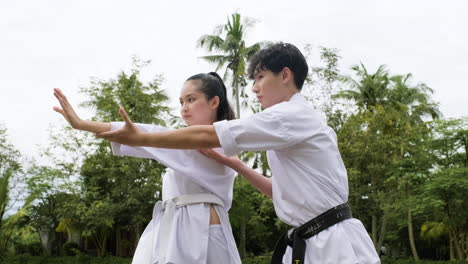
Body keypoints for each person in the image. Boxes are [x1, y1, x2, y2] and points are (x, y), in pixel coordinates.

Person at [96, 43, 381, 264]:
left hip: (333, 242)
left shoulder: (289, 116)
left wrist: (141, 137)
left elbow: (211, 134)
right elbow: (277, 190)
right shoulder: (290, 126)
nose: (254, 88)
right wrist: (231, 162)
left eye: (260, 77)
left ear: (285, 75)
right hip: (310, 239)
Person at [53, 72, 241, 264]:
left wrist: (84, 124)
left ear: (214, 102)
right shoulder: (184, 143)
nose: (184, 108)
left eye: (191, 100)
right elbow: (150, 135)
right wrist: (84, 125)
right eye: (181, 102)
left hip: (202, 224)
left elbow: (151, 134)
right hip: (172, 224)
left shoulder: (222, 140)